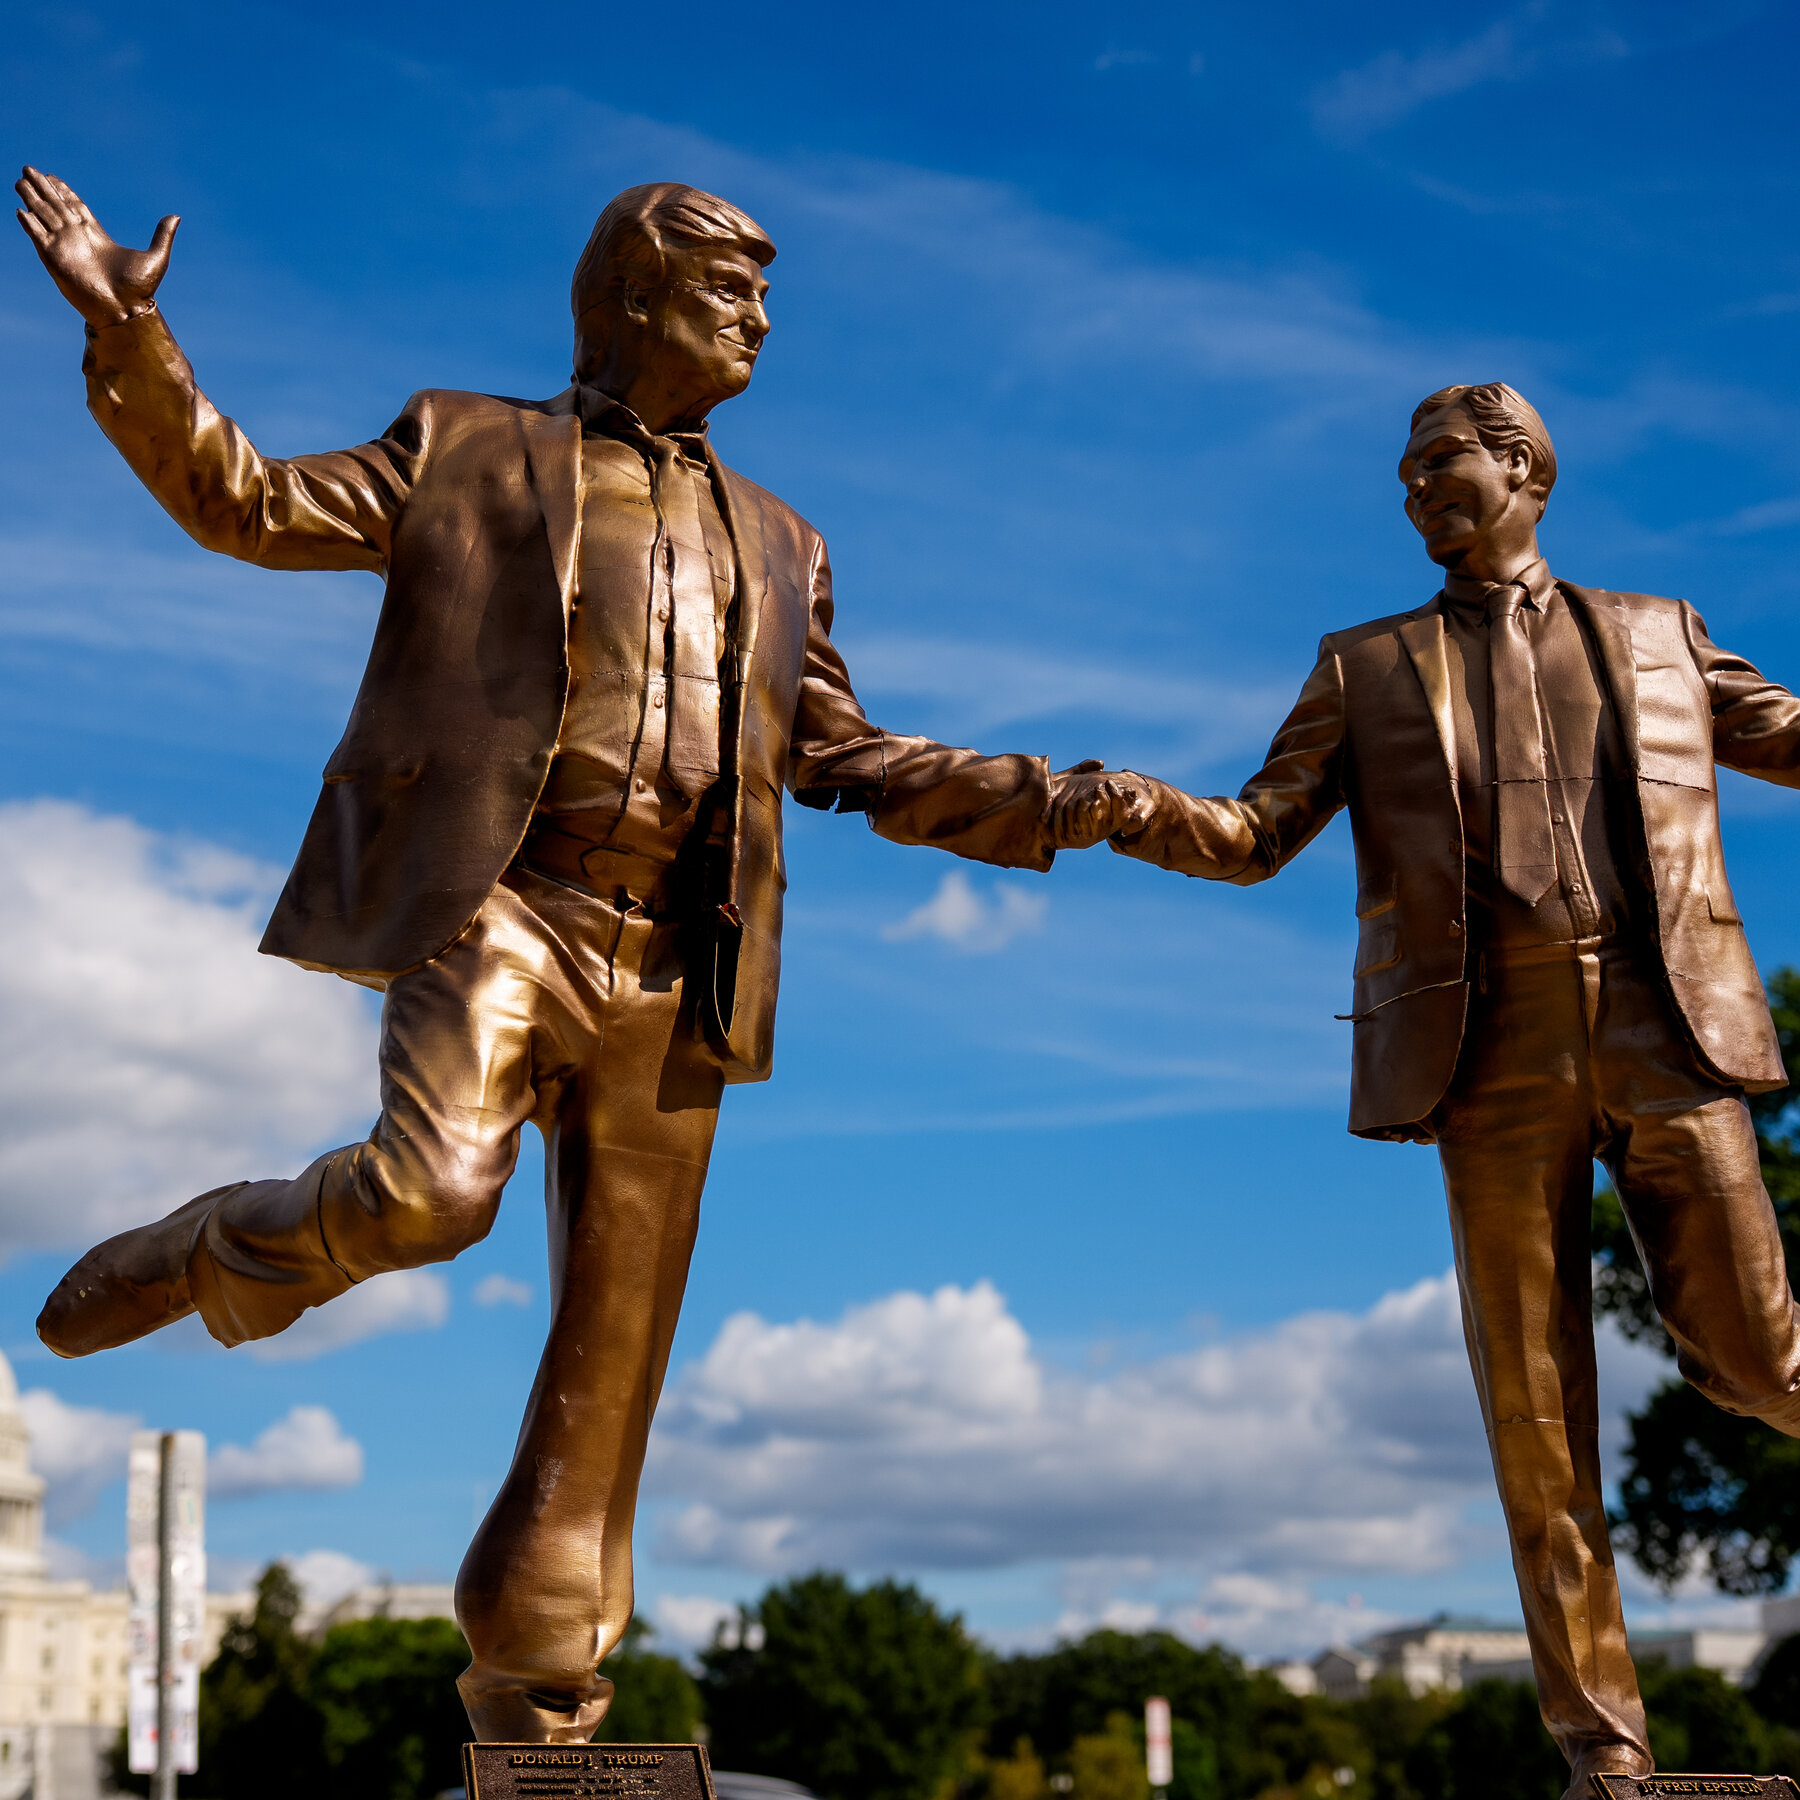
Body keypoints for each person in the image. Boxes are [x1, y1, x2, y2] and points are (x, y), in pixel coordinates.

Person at [13, 167, 1140, 1742]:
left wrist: (1050, 802)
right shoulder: (464, 446)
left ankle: (541, 1697)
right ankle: (210, 1250)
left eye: (762, 291)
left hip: (679, 962)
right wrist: (134, 336)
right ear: (626, 297)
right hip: (498, 912)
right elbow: (248, 504)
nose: (757, 314)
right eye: (724, 285)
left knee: (612, 1352)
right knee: (431, 1194)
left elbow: (843, 754)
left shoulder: (786, 537)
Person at [1071, 382, 1800, 1796]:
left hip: (1665, 1031)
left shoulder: (1655, 634)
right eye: (1404, 475)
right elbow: (1255, 829)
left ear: (1521, 466)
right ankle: (1609, 1757)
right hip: (1488, 1057)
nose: (1411, 492)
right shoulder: (1367, 666)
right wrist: (1133, 807)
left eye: (1435, 465)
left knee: (1761, 1359)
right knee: (1536, 1423)